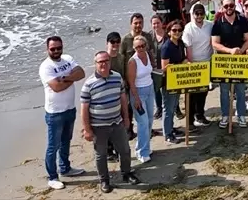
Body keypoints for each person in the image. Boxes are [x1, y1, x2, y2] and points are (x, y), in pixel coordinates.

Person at [80, 51, 140, 193]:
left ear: (110, 62)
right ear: (95, 64)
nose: (104, 64)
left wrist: (126, 118)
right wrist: (87, 129)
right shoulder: (89, 84)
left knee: (125, 150)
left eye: (106, 61)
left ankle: (126, 173)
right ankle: (104, 180)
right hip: (99, 126)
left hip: (117, 122)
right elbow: (84, 109)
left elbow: (123, 99)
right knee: (101, 155)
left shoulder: (117, 77)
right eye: (100, 62)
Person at [39, 36, 86, 190]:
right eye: (53, 49)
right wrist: (71, 78)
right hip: (55, 113)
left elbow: (81, 73)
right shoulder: (45, 67)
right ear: (47, 49)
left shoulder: (67, 59)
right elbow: (57, 87)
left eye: (59, 48)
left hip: (70, 108)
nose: (56, 51)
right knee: (53, 146)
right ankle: (52, 177)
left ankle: (65, 168)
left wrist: (65, 78)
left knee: (66, 141)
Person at [211, 0, 248, 128]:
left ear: (235, 6)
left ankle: (241, 114)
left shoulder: (243, 20)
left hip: (240, 60)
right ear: (222, 7)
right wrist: (230, 51)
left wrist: (241, 50)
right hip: (223, 61)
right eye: (226, 6)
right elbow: (215, 43)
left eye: (231, 5)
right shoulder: (218, 23)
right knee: (224, 91)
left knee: (240, 89)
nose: (229, 8)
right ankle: (225, 115)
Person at [124, 34, 156, 163]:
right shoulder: (133, 61)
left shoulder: (147, 54)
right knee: (142, 122)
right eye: (138, 47)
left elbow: (152, 70)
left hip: (150, 89)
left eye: (142, 46)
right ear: (134, 48)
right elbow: (131, 82)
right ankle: (142, 152)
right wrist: (136, 99)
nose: (141, 49)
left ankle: (144, 146)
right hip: (138, 92)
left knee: (150, 120)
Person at [182, 3, 213, 127]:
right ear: (193, 14)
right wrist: (191, 65)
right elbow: (188, 48)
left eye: (201, 13)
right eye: (197, 14)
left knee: (204, 91)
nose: (199, 16)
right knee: (192, 93)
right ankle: (190, 120)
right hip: (194, 63)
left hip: (207, 62)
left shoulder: (210, 25)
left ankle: (200, 115)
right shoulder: (188, 28)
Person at [158, 21, 187, 144]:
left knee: (174, 105)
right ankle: (168, 134)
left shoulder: (180, 43)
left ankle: (171, 128)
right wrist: (179, 65)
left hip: (178, 80)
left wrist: (185, 62)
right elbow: (164, 68)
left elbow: (183, 58)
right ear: (169, 32)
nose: (177, 32)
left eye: (179, 30)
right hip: (168, 82)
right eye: (174, 30)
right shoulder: (166, 47)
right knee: (168, 108)